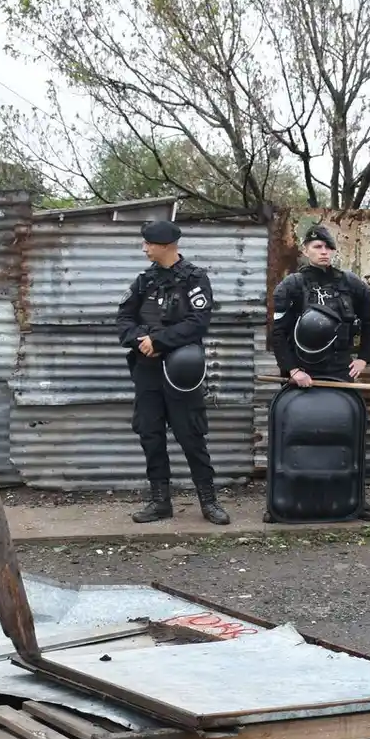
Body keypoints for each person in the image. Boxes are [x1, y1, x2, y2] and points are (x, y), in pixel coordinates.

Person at [115, 219, 229, 526]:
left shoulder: (194, 279)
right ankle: (160, 502)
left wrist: (159, 341)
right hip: (147, 371)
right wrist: (141, 341)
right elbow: (123, 320)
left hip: (181, 373)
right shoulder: (143, 281)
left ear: (166, 246)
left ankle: (209, 501)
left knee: (191, 435)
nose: (144, 248)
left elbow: (198, 323)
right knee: (151, 436)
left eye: (148, 244)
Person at [270, 225, 370, 520]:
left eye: (327, 247)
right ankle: (280, 500)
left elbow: (369, 325)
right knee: (292, 434)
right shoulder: (291, 286)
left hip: (339, 371)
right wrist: (292, 369)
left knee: (348, 434)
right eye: (317, 247)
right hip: (300, 373)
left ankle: (356, 500)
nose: (323, 252)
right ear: (305, 250)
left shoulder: (352, 285)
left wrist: (363, 360)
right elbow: (277, 334)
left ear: (334, 251)